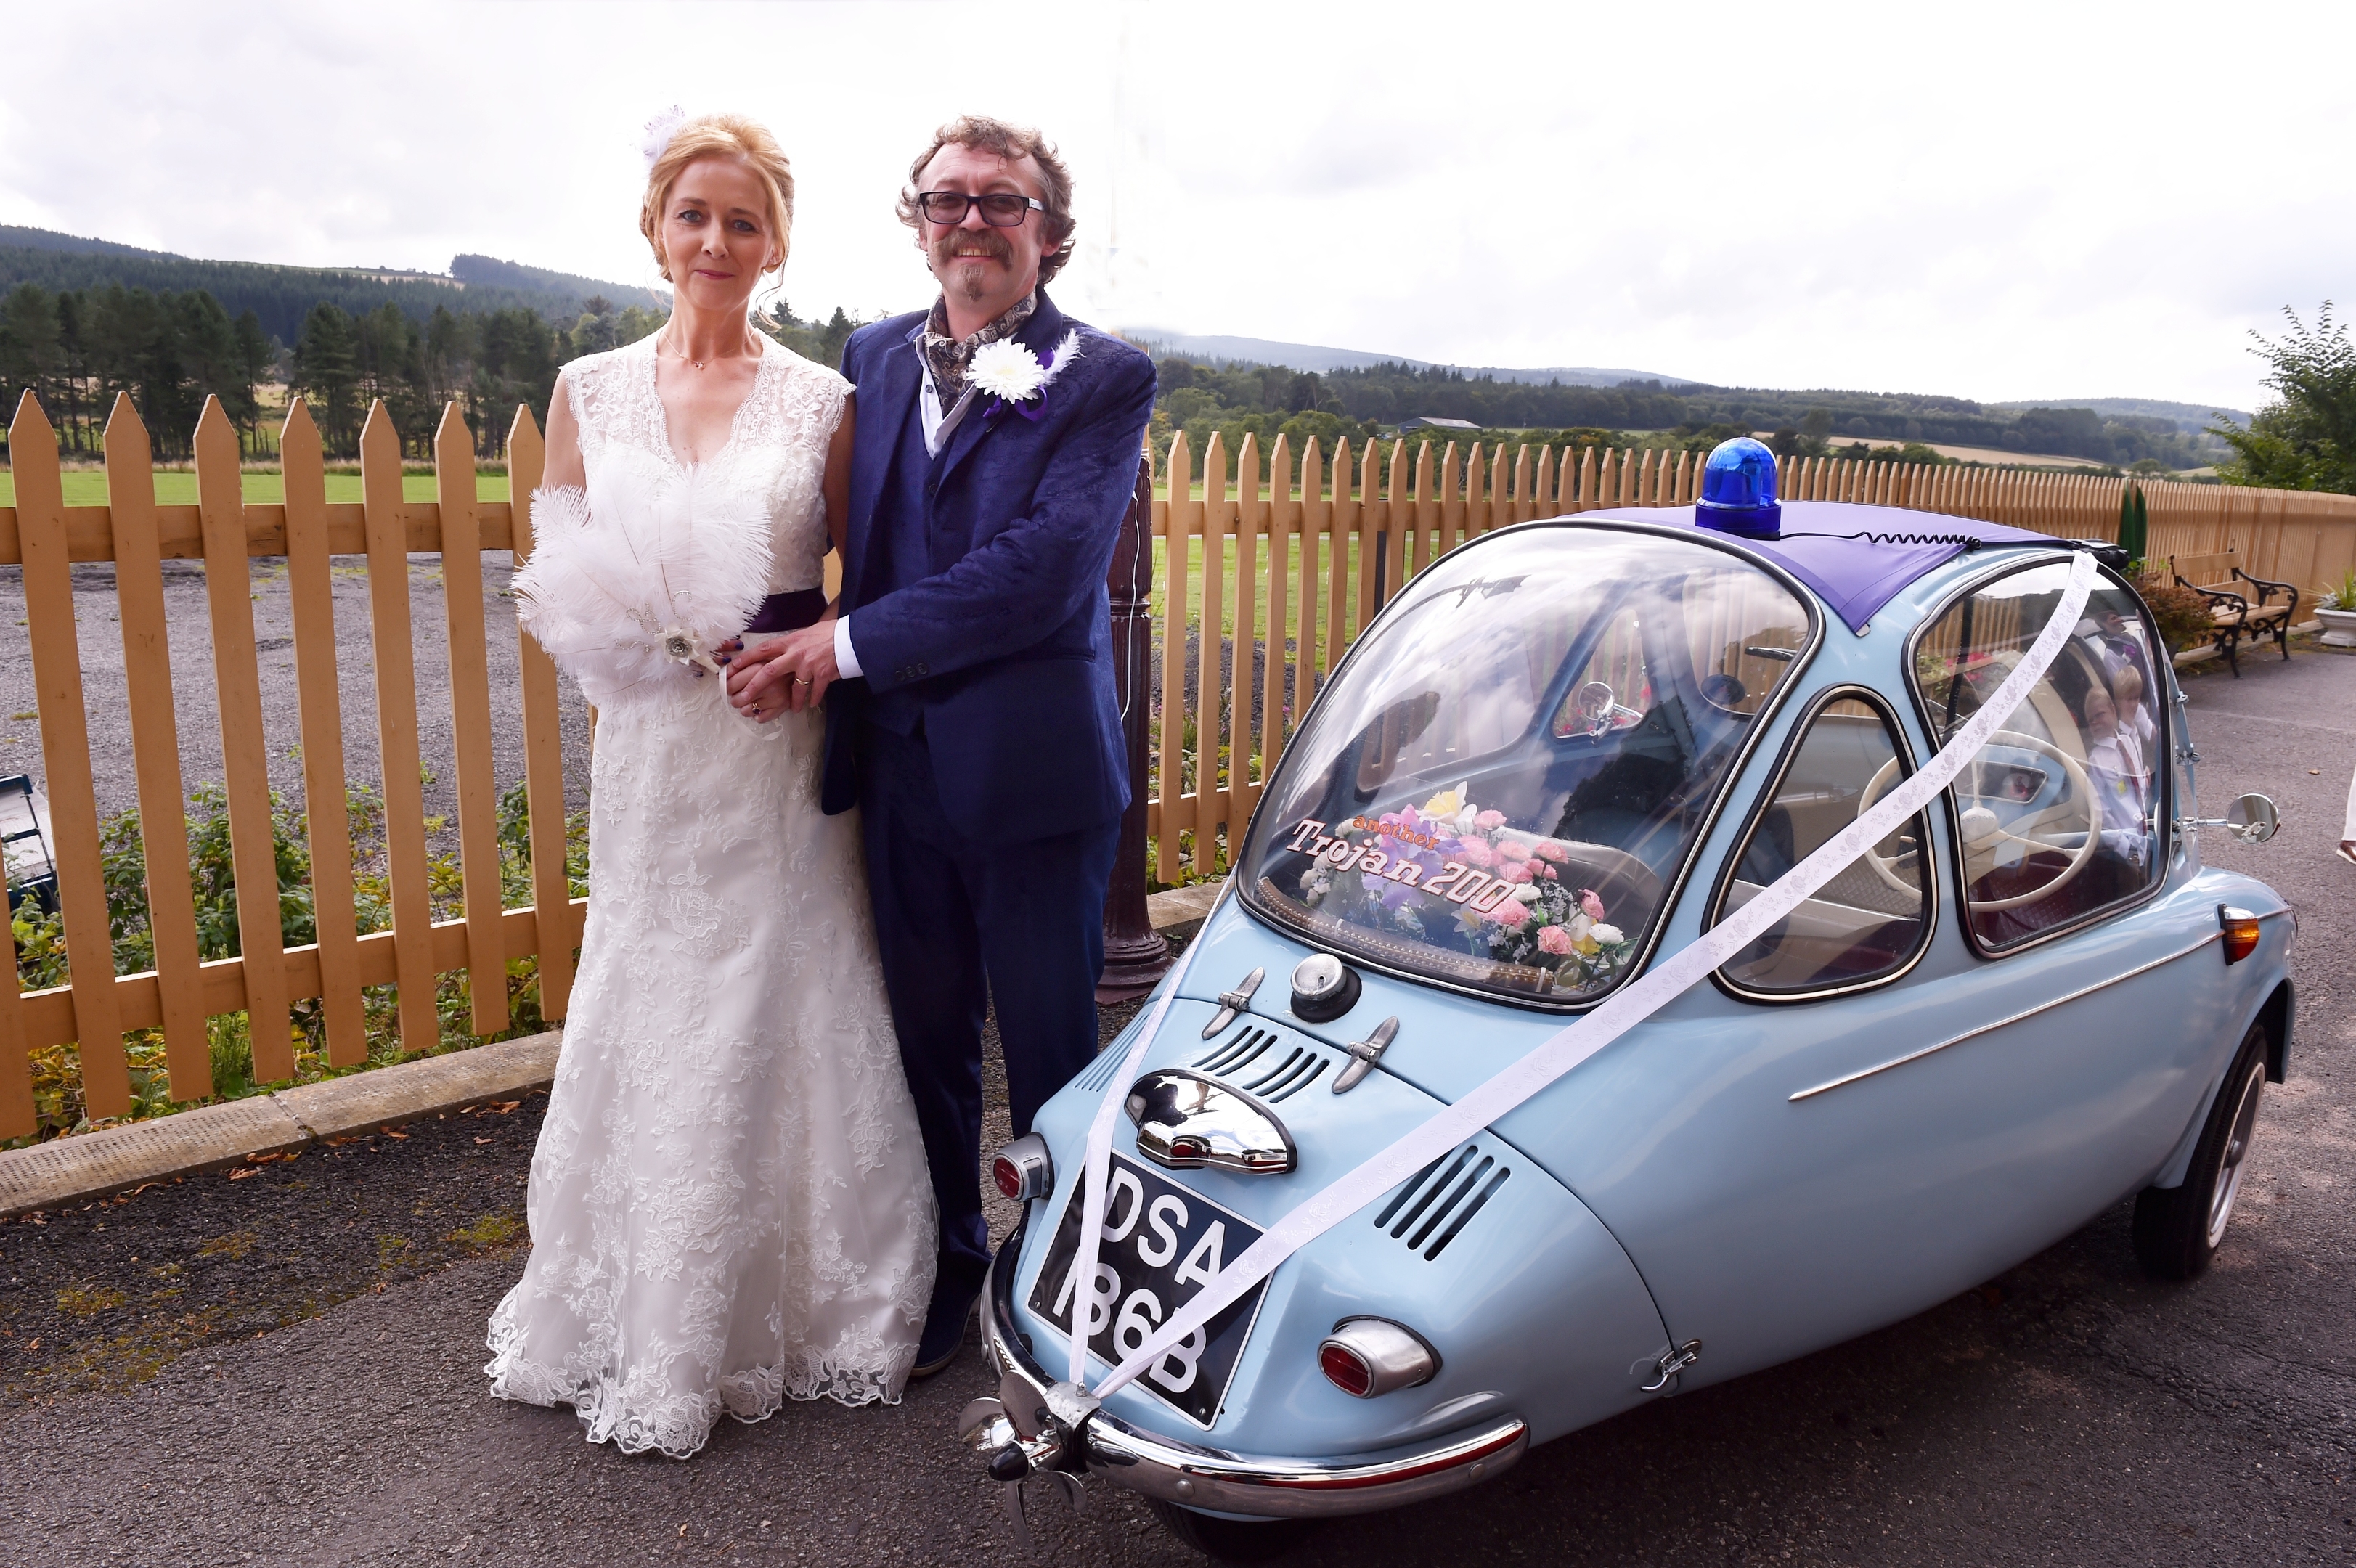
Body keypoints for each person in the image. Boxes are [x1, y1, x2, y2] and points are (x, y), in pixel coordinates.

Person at [486, 112, 936, 1458]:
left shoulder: (823, 402)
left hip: (773, 752)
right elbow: (558, 572)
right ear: (655, 227)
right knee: (646, 989)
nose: (717, 243)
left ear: (777, 243)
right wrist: (634, 655)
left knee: (778, 992)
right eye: (696, 216)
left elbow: (869, 583)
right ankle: (631, 1298)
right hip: (650, 755)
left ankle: (811, 1301)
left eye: (745, 222)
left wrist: (809, 662)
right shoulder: (589, 386)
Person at [725, 115, 1156, 1377]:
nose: (971, 219)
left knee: (1048, 1056)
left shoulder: (1099, 375)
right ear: (915, 223)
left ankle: (1067, 1278)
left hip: (1029, 779)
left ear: (1049, 236)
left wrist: (841, 649)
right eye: (947, 200)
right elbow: (847, 542)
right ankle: (947, 1268)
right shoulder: (864, 355)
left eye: (1001, 203)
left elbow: (1041, 575)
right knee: (919, 1045)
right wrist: (749, 634)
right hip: (893, 767)